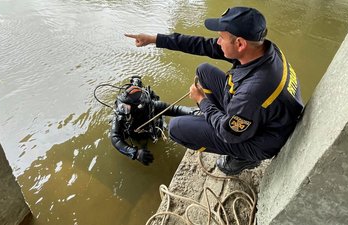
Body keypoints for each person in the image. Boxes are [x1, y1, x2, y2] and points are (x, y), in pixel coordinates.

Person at [125, 7, 304, 175]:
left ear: (240, 43)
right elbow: (201, 44)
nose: (218, 41)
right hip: (264, 115)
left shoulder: (253, 93)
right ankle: (221, 117)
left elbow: (228, 132)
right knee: (204, 70)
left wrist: (202, 101)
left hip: (262, 140)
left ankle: (243, 159)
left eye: (221, 37)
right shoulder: (262, 49)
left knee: (176, 128)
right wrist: (155, 39)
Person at [110, 76, 196, 166]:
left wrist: (194, 112)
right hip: (135, 136)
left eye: (126, 108)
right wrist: (135, 153)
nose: (123, 110)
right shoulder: (120, 114)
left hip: (152, 131)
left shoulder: (151, 106)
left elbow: (175, 109)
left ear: (138, 107)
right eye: (122, 107)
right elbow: (115, 138)